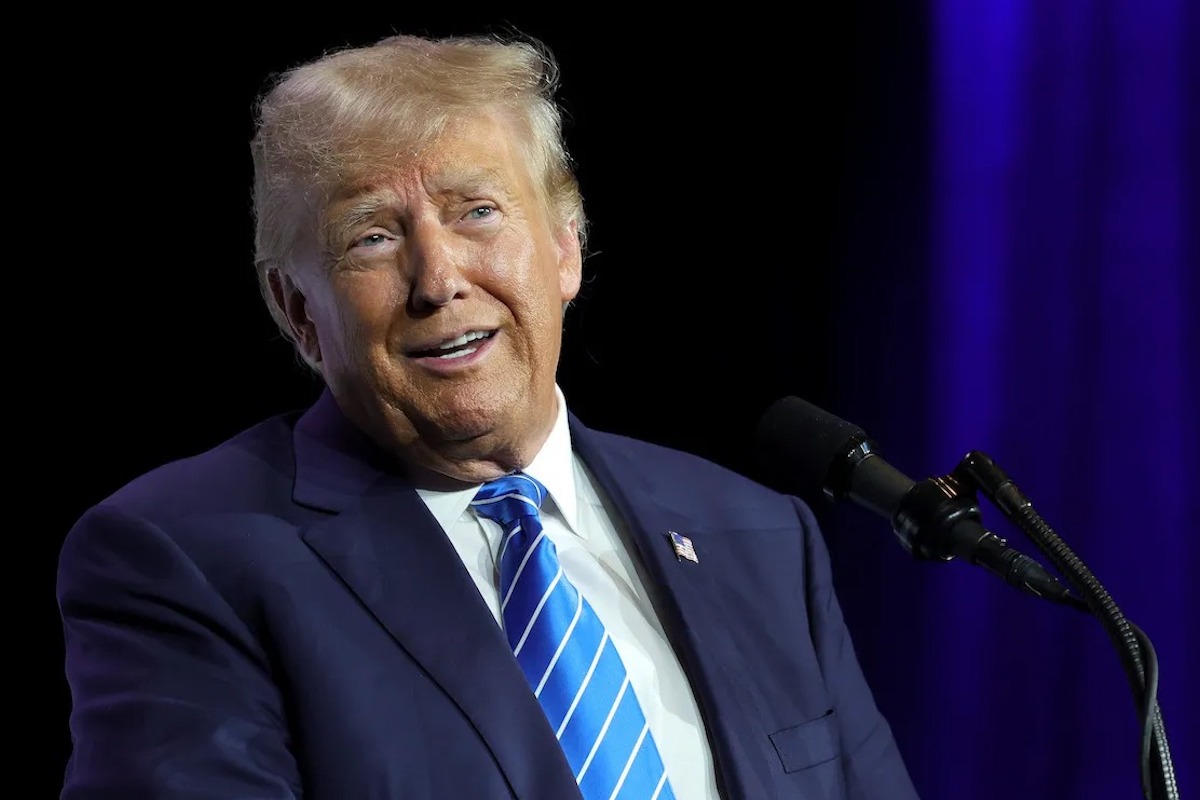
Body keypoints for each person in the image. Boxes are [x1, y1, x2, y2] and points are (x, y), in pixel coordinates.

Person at [56, 32, 920, 800]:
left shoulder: (758, 536)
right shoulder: (186, 555)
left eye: (478, 211)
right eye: (372, 237)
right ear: (296, 313)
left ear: (565, 248)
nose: (438, 279)